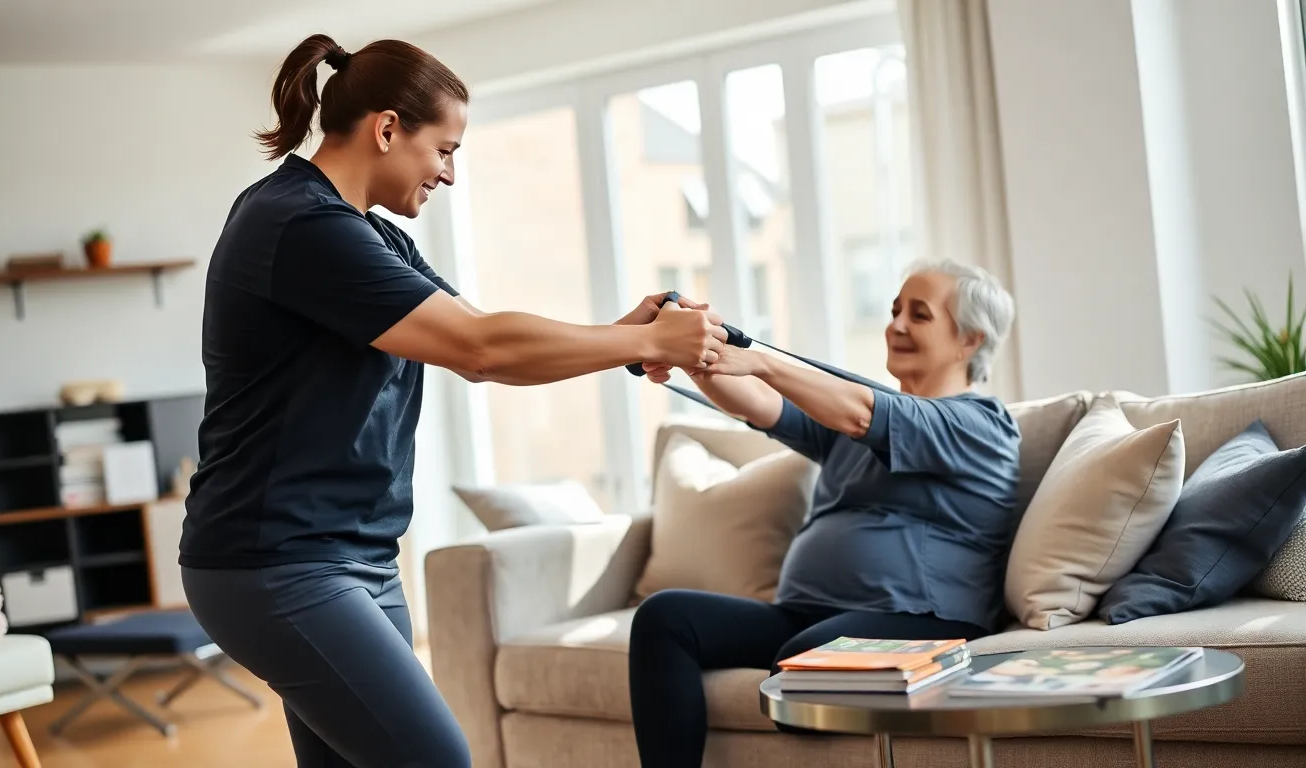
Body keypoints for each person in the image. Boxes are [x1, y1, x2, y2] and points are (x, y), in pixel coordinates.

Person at [177, 33, 727, 768]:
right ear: (386, 129)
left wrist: (627, 335)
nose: (450, 174)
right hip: (274, 561)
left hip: (355, 558)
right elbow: (484, 350)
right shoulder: (300, 226)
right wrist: (653, 345)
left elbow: (477, 340)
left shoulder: (371, 238)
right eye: (446, 149)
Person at [628, 259, 1021, 767]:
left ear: (969, 340)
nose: (895, 325)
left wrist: (763, 361)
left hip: (922, 619)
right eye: (894, 310)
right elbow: (758, 406)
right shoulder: (846, 422)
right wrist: (692, 350)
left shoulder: (979, 424)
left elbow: (861, 413)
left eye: (918, 315)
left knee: (807, 654)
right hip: (805, 613)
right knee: (666, 617)